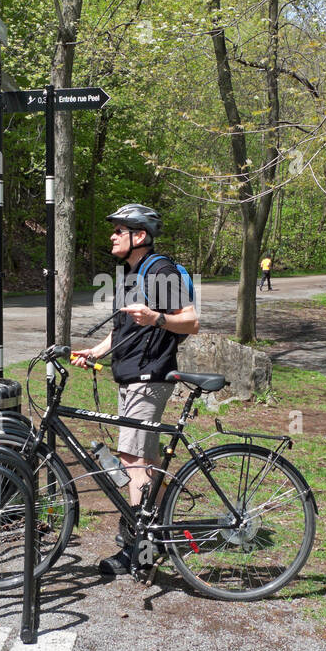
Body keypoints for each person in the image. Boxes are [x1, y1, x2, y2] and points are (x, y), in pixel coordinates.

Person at [72, 203, 199, 576]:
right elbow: (124, 330)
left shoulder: (161, 271)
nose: (111, 236)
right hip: (130, 376)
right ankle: (162, 530)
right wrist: (94, 351)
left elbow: (190, 321)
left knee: (132, 460)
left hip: (149, 377)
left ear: (139, 236)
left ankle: (137, 547)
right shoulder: (129, 274)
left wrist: (157, 317)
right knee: (147, 459)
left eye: (118, 230)